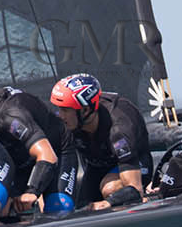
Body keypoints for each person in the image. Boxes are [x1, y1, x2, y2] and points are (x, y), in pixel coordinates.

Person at [49, 73, 151, 210]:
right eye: (59, 109)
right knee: (79, 206)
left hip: (133, 163)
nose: (60, 116)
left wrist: (109, 202)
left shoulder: (118, 129)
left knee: (110, 189)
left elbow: (134, 190)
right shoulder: (71, 122)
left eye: (65, 110)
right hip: (97, 165)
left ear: (85, 110)